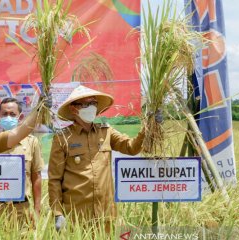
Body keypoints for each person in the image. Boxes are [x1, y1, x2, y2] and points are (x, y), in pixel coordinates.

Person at [48, 85, 162, 231]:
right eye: (86, 104)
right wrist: (58, 213)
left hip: (106, 214)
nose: (91, 108)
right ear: (73, 109)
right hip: (76, 215)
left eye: (94, 104)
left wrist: (149, 125)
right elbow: (55, 180)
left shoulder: (106, 132)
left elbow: (131, 147)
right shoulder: (62, 137)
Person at [0, 97, 44, 221]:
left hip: (23, 209)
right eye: (4, 114)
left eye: (12, 114)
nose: (8, 117)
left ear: (20, 117)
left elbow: (36, 176)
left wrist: (37, 209)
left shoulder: (32, 142)